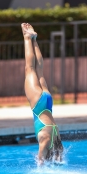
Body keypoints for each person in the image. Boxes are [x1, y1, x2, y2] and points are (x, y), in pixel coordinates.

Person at [21, 23, 63, 165]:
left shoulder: (57, 142)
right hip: (39, 104)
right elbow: (40, 163)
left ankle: (34, 39)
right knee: (30, 68)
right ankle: (27, 37)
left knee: (39, 71)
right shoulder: (46, 141)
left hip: (47, 103)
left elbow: (60, 161)